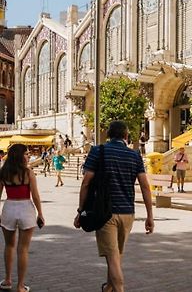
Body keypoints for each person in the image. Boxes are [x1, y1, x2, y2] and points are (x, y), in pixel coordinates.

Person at [74, 121, 154, 292]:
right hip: (127, 213)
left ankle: (118, 288)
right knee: (116, 256)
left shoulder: (98, 151)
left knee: (112, 258)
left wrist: (81, 211)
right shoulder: (135, 155)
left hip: (105, 213)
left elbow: (86, 183)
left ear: (108, 135)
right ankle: (109, 287)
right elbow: (145, 186)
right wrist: (149, 215)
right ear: (126, 136)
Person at [0, 144, 45, 292]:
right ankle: (20, 286)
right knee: (23, 249)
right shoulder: (28, 172)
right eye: (26, 154)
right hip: (26, 208)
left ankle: (7, 280)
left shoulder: (3, 172)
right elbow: (36, 196)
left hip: (9, 208)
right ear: (19, 155)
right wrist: (40, 213)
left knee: (9, 246)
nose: (28, 156)